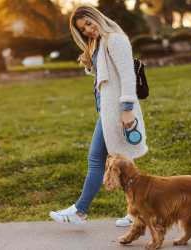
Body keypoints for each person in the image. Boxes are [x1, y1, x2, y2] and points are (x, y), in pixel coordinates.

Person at [49, 5, 148, 227]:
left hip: (118, 110)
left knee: (101, 160)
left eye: (89, 24)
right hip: (108, 111)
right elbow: (104, 74)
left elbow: (127, 76)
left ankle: (81, 211)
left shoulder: (115, 39)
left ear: (97, 17)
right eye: (83, 30)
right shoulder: (102, 42)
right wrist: (90, 57)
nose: (88, 31)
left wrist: (127, 110)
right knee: (121, 163)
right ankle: (135, 213)